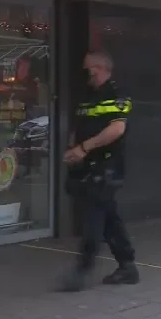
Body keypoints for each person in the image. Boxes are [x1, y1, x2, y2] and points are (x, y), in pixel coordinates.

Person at [61, 51, 138, 292]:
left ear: (99, 68)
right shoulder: (89, 96)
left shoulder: (116, 94)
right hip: (87, 166)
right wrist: (73, 150)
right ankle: (127, 266)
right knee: (108, 216)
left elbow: (116, 130)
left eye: (88, 68)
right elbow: (80, 125)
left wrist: (84, 148)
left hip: (107, 167)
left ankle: (83, 268)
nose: (86, 73)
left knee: (94, 217)